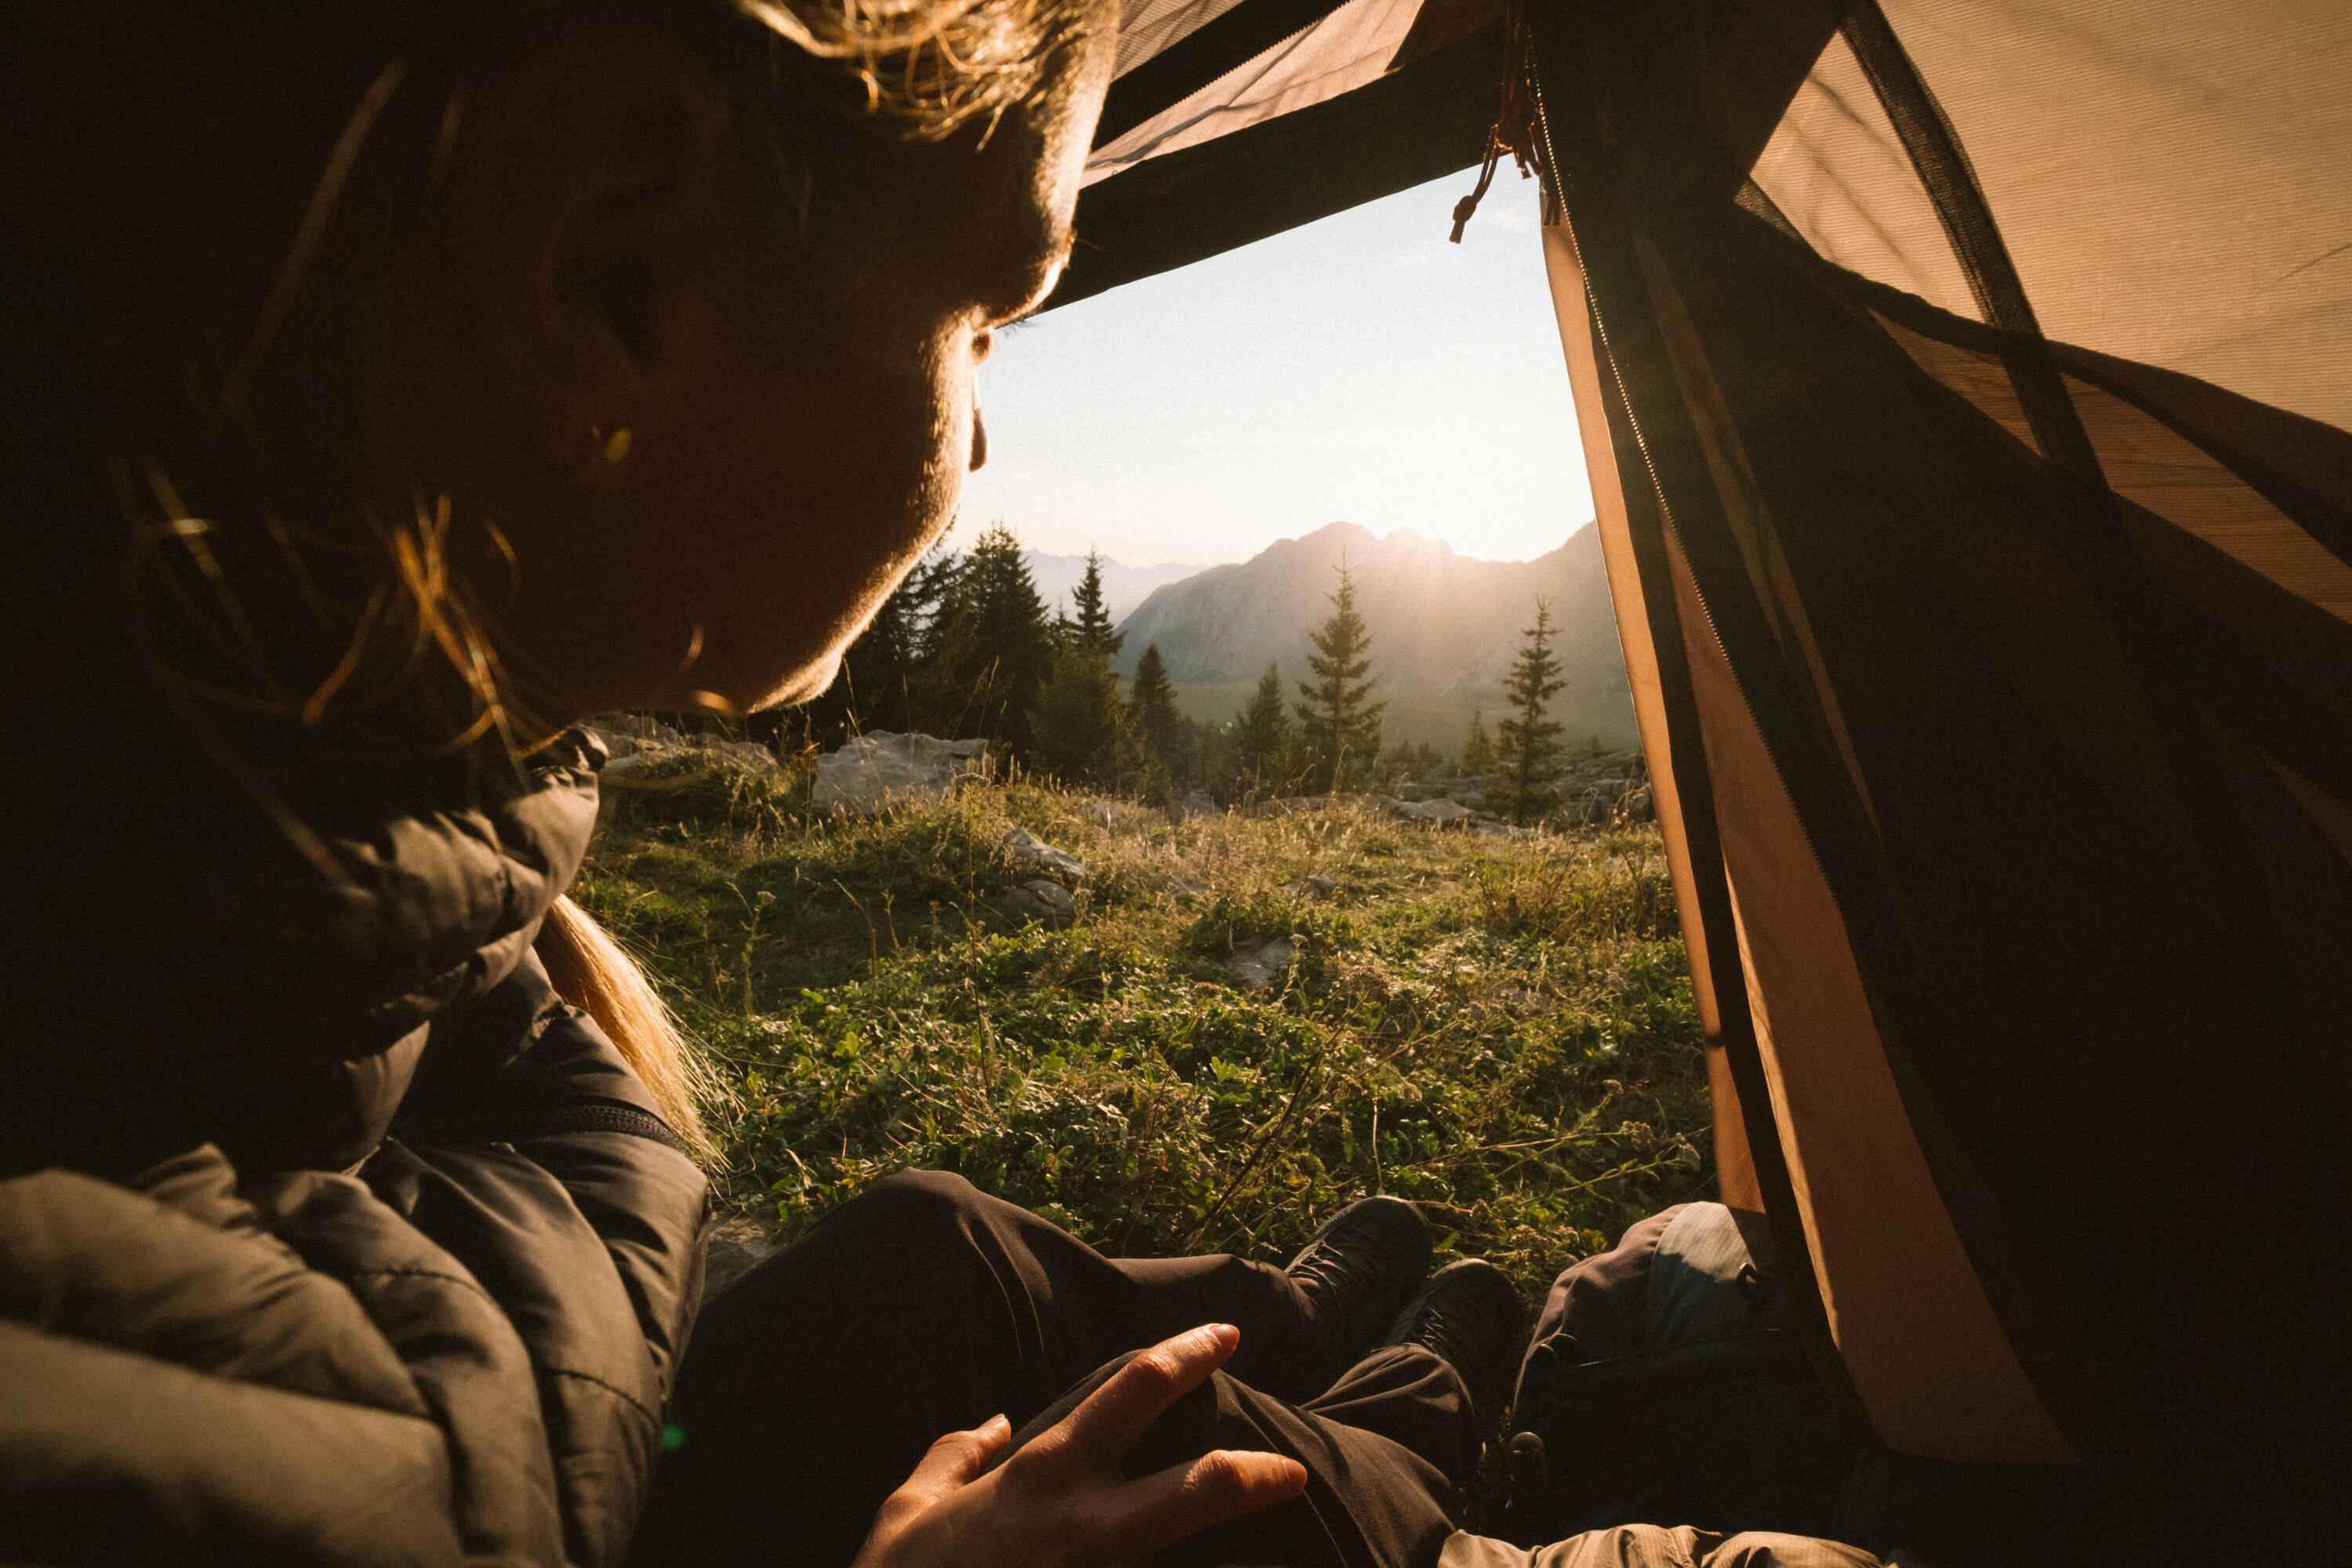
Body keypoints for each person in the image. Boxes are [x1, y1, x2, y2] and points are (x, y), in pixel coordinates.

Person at [0, 4, 1526, 1563]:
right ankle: (1417, 1421)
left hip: (601, 1414)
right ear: (612, 269)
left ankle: (1276, 1321)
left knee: (931, 1247)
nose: (985, 436)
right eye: (988, 313)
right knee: (1186, 1482)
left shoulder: (295, 806)